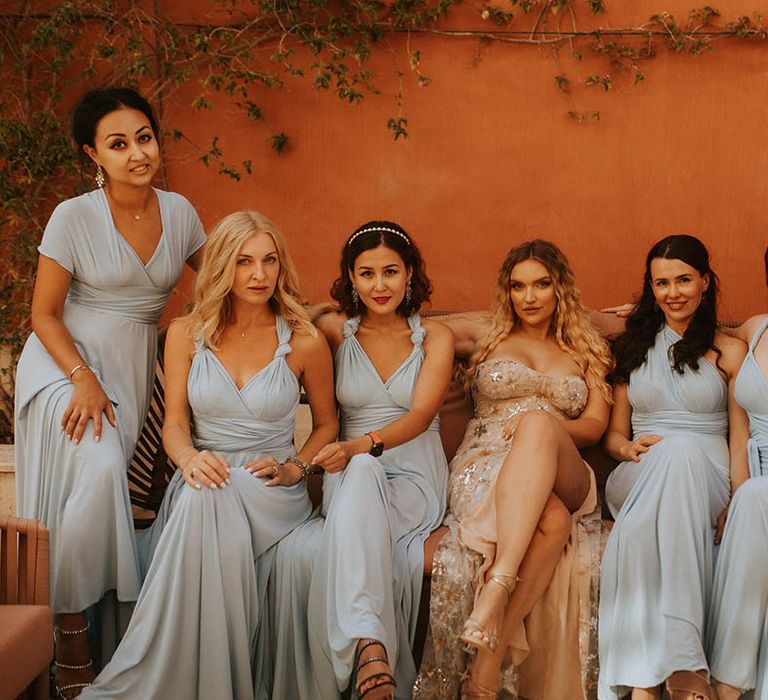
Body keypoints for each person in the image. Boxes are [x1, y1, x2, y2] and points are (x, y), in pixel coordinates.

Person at [79, 210, 338, 699]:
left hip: (271, 488)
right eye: (244, 262)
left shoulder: (304, 339)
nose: (259, 275)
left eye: (269, 261)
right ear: (222, 266)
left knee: (210, 496)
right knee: (204, 495)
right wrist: (189, 460)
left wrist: (295, 468)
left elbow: (328, 424)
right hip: (202, 475)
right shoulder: (186, 333)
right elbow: (176, 423)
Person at [13, 87, 207, 697]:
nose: (136, 153)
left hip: (133, 368)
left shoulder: (181, 213)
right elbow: (44, 314)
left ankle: (122, 638)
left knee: (120, 489)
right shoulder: (73, 216)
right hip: (65, 367)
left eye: (143, 138)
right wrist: (82, 377)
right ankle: (69, 627)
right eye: (118, 144)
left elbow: (228, 280)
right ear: (92, 154)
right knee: (98, 471)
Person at [414, 239, 612, 699]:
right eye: (518, 286)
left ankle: (495, 588)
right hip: (484, 464)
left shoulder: (589, 350)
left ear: (560, 288)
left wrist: (539, 427)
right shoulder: (489, 336)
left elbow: (596, 425)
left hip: (564, 467)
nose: (529, 297)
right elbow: (408, 323)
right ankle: (489, 659)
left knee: (541, 424)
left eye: (542, 285)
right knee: (554, 522)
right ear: (507, 291)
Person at [270, 221, 454, 700]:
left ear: (409, 273)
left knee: (367, 463)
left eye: (391, 272)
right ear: (350, 278)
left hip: (413, 476)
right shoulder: (333, 330)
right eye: (366, 273)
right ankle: (371, 643)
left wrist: (359, 444)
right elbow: (283, 312)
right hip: (349, 479)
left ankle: (366, 644)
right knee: (363, 471)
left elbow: (419, 417)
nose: (379, 285)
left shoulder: (435, 336)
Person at [598, 235, 749, 700]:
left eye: (684, 279)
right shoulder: (632, 348)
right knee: (672, 452)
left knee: (682, 450)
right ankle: (683, 660)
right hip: (639, 471)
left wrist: (739, 500)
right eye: (661, 283)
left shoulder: (729, 351)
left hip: (707, 475)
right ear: (650, 288)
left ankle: (646, 676)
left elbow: (739, 437)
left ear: (705, 281)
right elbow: (613, 436)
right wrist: (628, 450)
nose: (673, 292)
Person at [706, 246, 768, 700]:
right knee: (751, 500)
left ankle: (726, 686)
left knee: (755, 499)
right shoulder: (758, 327)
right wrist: (638, 314)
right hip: (756, 482)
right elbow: (741, 427)